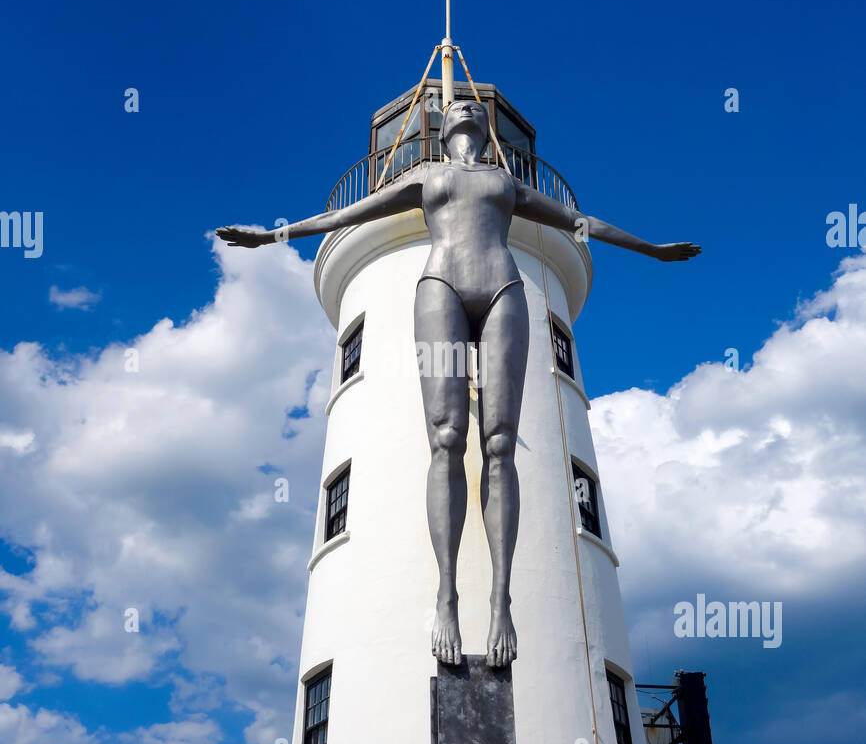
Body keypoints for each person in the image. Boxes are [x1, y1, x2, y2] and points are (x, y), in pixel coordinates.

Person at [218, 99, 699, 666]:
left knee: (500, 443)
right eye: (454, 106)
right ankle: (446, 594)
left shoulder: (504, 180)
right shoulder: (425, 177)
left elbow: (582, 222)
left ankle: (500, 602)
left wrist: (653, 250)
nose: (465, 105)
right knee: (446, 436)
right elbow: (347, 216)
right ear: (442, 130)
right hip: (440, 287)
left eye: (473, 104)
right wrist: (272, 237)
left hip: (504, 290)